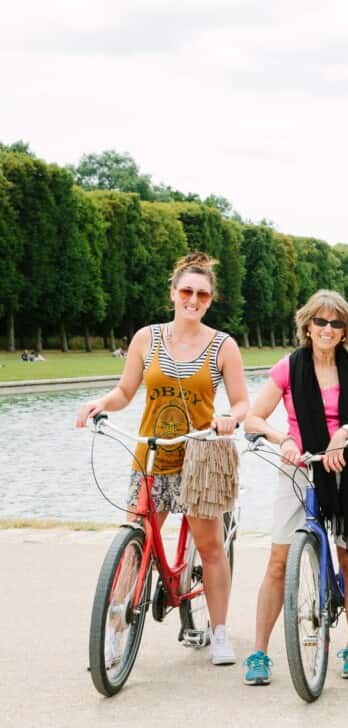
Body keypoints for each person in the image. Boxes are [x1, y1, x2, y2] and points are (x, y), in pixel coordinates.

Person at [75, 251, 249, 666]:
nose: (193, 299)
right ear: (172, 293)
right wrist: (100, 403)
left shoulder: (223, 345)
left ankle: (220, 632)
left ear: (211, 299)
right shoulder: (145, 339)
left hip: (201, 455)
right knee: (135, 537)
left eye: (202, 294)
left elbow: (242, 403)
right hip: (152, 453)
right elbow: (124, 392)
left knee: (209, 549)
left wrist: (228, 418)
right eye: (186, 291)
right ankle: (115, 629)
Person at [241, 290, 348, 685]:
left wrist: (345, 431)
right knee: (277, 563)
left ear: (345, 331)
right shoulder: (289, 367)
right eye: (320, 321)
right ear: (307, 325)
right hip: (300, 468)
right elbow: (253, 418)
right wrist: (282, 440)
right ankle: (258, 653)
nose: (327, 329)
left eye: (336, 323)